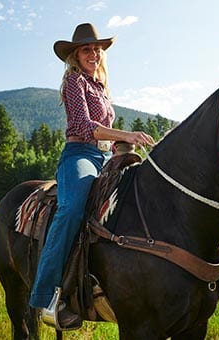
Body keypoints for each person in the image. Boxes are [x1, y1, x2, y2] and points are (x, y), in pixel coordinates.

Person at [29, 23, 154, 329]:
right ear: (75, 55)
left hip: (104, 156)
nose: (94, 54)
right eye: (87, 49)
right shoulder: (74, 82)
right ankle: (46, 297)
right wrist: (129, 134)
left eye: (97, 49)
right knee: (71, 210)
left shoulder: (100, 87)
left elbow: (104, 134)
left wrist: (121, 147)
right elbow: (87, 128)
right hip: (80, 156)